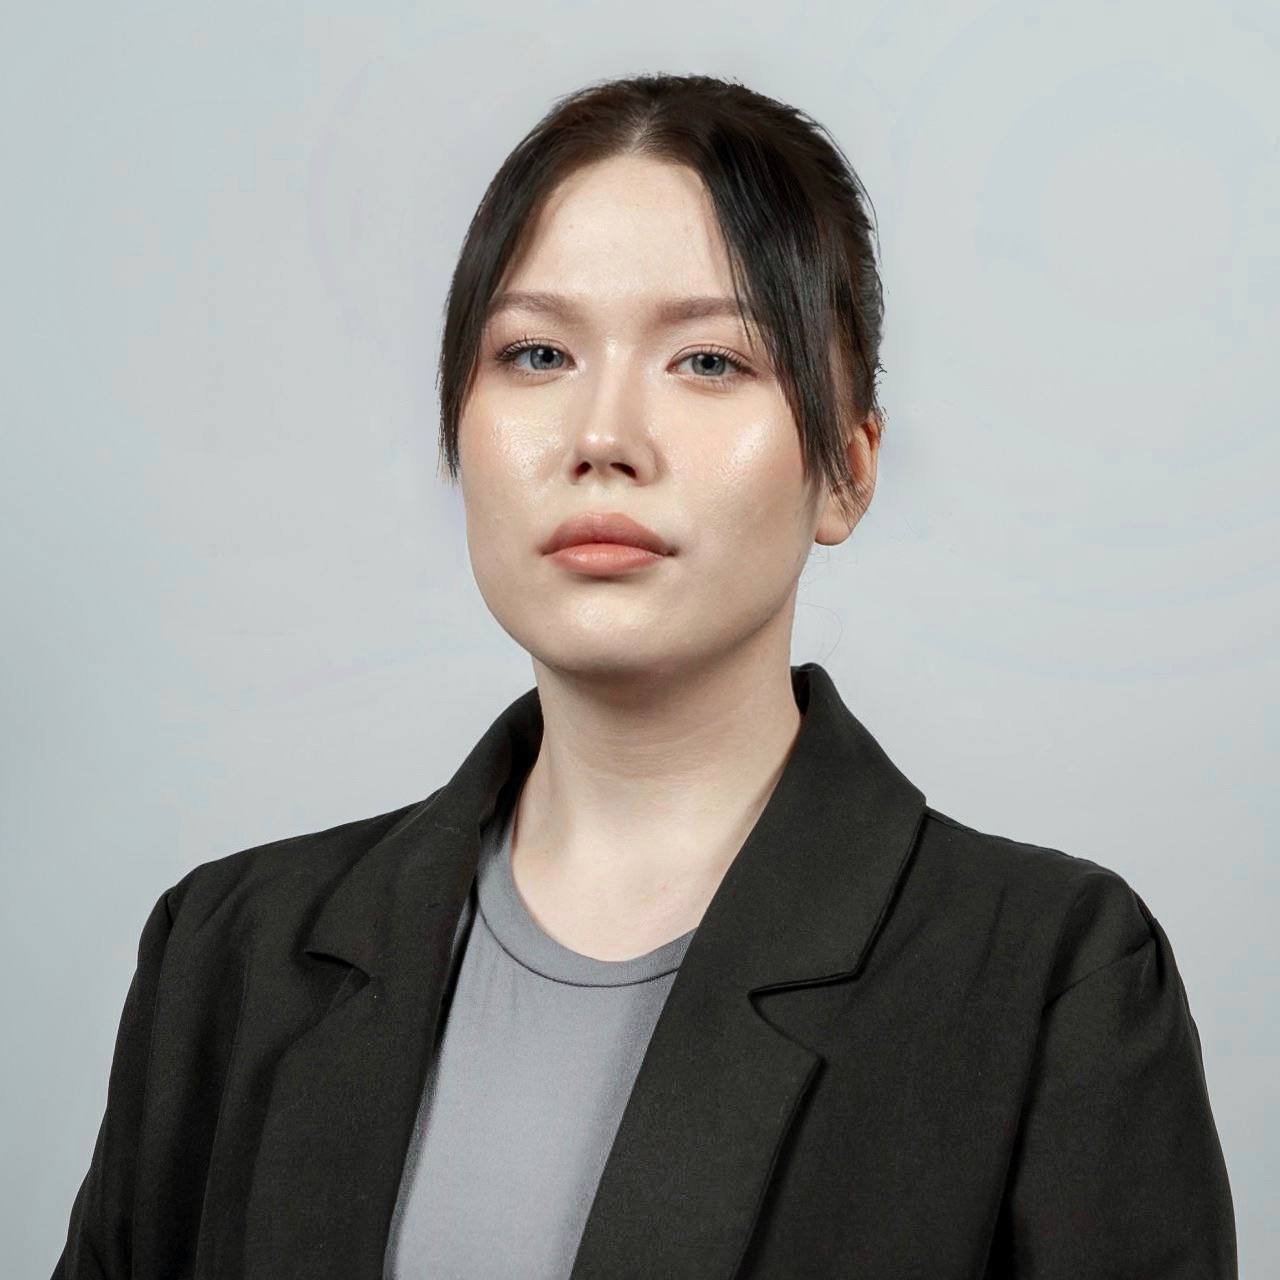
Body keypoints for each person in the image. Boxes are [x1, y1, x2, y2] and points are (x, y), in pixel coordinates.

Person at [53, 72, 1236, 1279]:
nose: (602, 436)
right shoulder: (229, 955)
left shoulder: (1046, 981)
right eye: (536, 352)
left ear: (845, 469)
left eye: (708, 360)